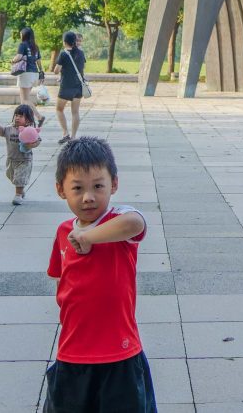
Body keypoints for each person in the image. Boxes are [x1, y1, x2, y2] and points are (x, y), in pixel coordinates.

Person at [44, 137, 155, 412]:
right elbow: (61, 281)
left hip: (119, 350)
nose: (89, 196)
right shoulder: (62, 232)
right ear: (61, 190)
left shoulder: (115, 223)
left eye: (98, 186)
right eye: (78, 188)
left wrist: (89, 236)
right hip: (73, 350)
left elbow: (135, 222)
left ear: (114, 184)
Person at [0, 103, 41, 205]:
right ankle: (20, 190)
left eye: (21, 116)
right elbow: (1, 131)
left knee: (19, 178)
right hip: (11, 159)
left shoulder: (30, 130)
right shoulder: (9, 128)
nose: (17, 118)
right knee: (11, 176)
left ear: (29, 120)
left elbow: (37, 140)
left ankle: (18, 195)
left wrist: (31, 145)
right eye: (16, 115)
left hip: (24, 160)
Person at [51, 31, 86, 144]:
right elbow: (82, 67)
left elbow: (56, 71)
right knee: (75, 112)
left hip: (66, 86)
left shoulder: (64, 54)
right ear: (75, 41)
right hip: (78, 87)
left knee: (59, 109)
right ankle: (74, 136)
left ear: (65, 42)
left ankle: (65, 133)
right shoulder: (81, 53)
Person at [12, 26, 46, 127]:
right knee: (24, 101)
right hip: (34, 73)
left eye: (21, 33)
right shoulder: (35, 46)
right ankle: (27, 121)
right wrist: (41, 73)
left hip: (26, 73)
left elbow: (19, 57)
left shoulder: (22, 45)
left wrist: (12, 61)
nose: (20, 35)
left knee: (24, 100)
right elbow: (38, 61)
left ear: (24, 35)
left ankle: (39, 117)